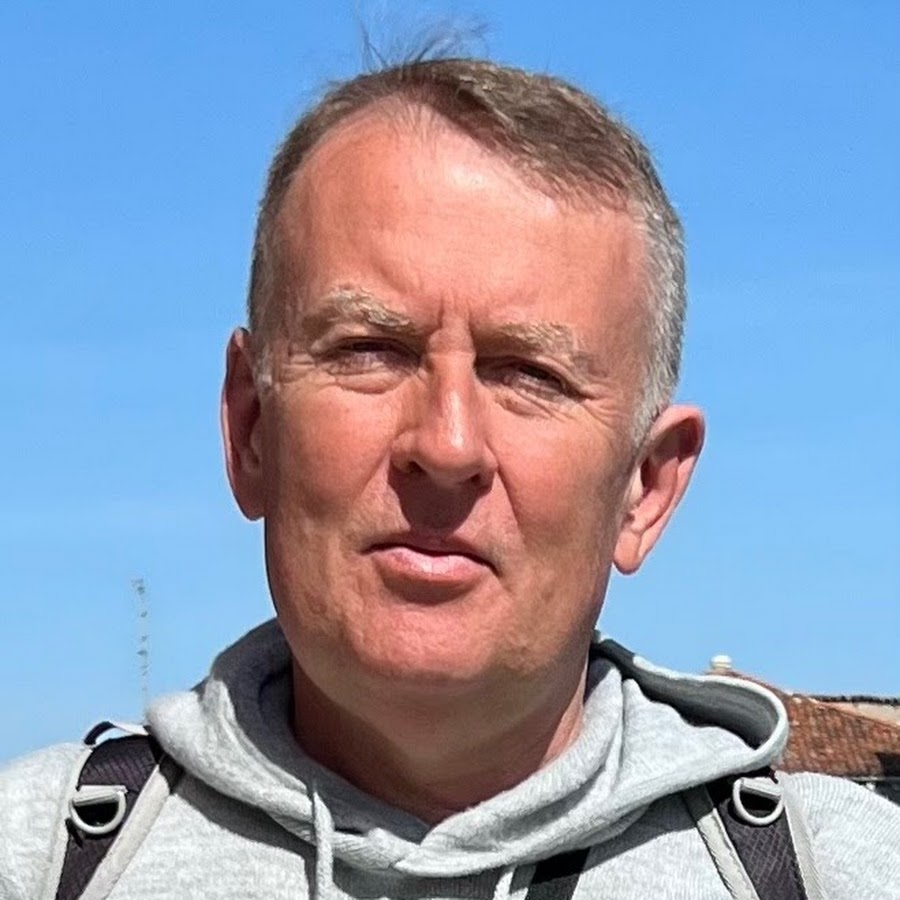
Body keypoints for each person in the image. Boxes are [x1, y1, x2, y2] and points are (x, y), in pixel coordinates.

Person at [1, 57, 898, 900]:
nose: (447, 443)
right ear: (251, 430)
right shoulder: (39, 860)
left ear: (646, 487)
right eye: (370, 351)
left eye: (528, 374)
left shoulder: (841, 875)